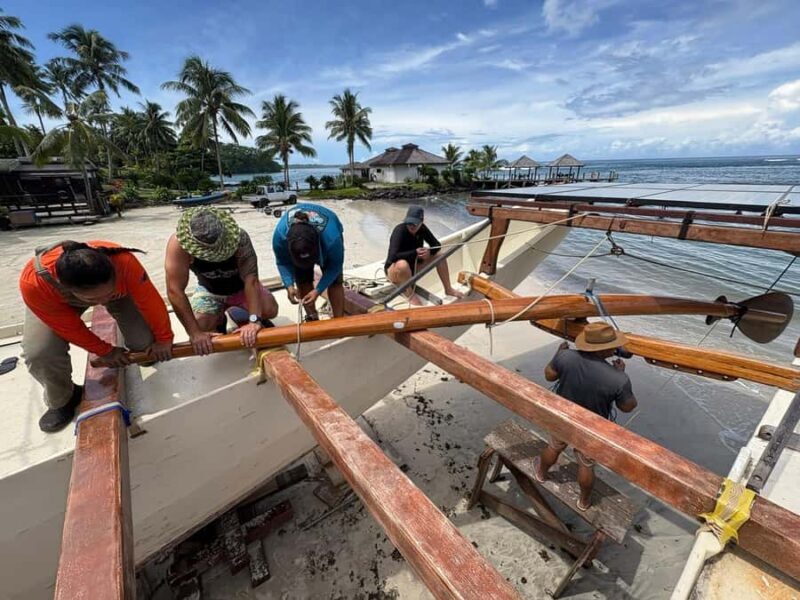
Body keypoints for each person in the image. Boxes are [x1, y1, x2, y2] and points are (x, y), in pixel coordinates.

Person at [19, 241, 174, 433]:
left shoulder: (124, 262)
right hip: (54, 304)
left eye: (106, 295)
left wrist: (164, 338)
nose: (102, 302)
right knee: (40, 353)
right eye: (93, 300)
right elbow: (69, 328)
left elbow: (150, 301)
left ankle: (116, 303)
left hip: (119, 291)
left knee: (144, 345)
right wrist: (106, 351)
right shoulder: (34, 283)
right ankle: (63, 399)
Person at [533, 323, 637, 510]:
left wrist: (557, 354)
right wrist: (621, 374)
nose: (614, 349)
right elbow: (627, 407)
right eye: (612, 346)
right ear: (604, 350)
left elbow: (549, 375)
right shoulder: (618, 378)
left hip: (564, 417)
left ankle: (541, 473)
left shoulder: (565, 356)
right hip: (592, 428)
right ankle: (584, 501)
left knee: (554, 447)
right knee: (586, 464)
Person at [165, 207, 278, 355]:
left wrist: (254, 320)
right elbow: (175, 290)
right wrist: (194, 333)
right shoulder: (179, 244)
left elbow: (251, 280)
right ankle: (219, 321)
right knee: (201, 325)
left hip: (241, 289)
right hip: (210, 291)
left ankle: (253, 316)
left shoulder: (240, 238)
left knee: (270, 309)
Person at [272, 203, 345, 320]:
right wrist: (289, 285)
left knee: (335, 282)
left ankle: (339, 319)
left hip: (330, 226)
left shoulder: (332, 239)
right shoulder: (280, 237)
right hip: (299, 244)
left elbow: (335, 267)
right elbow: (282, 262)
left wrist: (318, 290)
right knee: (302, 280)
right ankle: (312, 317)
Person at [384, 205, 464, 305]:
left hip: (413, 268)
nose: (411, 226)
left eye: (414, 224)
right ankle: (410, 294)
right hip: (395, 271)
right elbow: (392, 257)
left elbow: (436, 245)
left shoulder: (422, 229)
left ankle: (448, 289)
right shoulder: (399, 230)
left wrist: (428, 252)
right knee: (402, 264)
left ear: (421, 222)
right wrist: (415, 253)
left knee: (440, 255)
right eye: (409, 223)